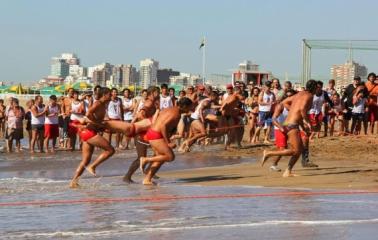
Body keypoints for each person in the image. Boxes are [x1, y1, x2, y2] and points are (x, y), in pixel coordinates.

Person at [260, 79, 317, 177]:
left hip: (289, 124)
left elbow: (287, 103)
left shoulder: (300, 94)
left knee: (298, 151)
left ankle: (288, 171)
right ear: (314, 88)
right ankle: (268, 153)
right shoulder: (310, 95)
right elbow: (302, 109)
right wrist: (308, 123)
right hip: (291, 125)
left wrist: (302, 125)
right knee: (294, 150)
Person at [140, 97, 193, 185]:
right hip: (156, 135)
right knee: (170, 156)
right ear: (184, 106)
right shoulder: (175, 113)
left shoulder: (172, 109)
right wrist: (168, 142)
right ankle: (145, 159)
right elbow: (163, 126)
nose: (190, 109)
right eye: (189, 107)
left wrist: (172, 133)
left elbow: (163, 122)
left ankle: (147, 179)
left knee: (161, 158)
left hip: (153, 133)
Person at [70, 87, 115, 188]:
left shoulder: (103, 104)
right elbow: (88, 113)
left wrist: (101, 126)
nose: (111, 96)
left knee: (85, 160)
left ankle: (73, 182)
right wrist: (97, 123)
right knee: (110, 150)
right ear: (104, 95)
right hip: (89, 132)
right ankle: (93, 166)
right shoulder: (98, 103)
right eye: (110, 94)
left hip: (88, 132)